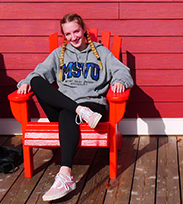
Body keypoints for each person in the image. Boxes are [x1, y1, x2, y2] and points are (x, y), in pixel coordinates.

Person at [16, 13, 133, 201]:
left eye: (76, 31)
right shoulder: (58, 54)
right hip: (74, 109)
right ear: (64, 36)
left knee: (67, 114)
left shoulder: (101, 52)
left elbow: (122, 71)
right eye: (68, 34)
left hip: (93, 107)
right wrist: (25, 83)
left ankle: (65, 174)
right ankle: (78, 110)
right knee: (37, 82)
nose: (73, 37)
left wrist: (119, 80)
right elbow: (38, 73)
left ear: (84, 30)